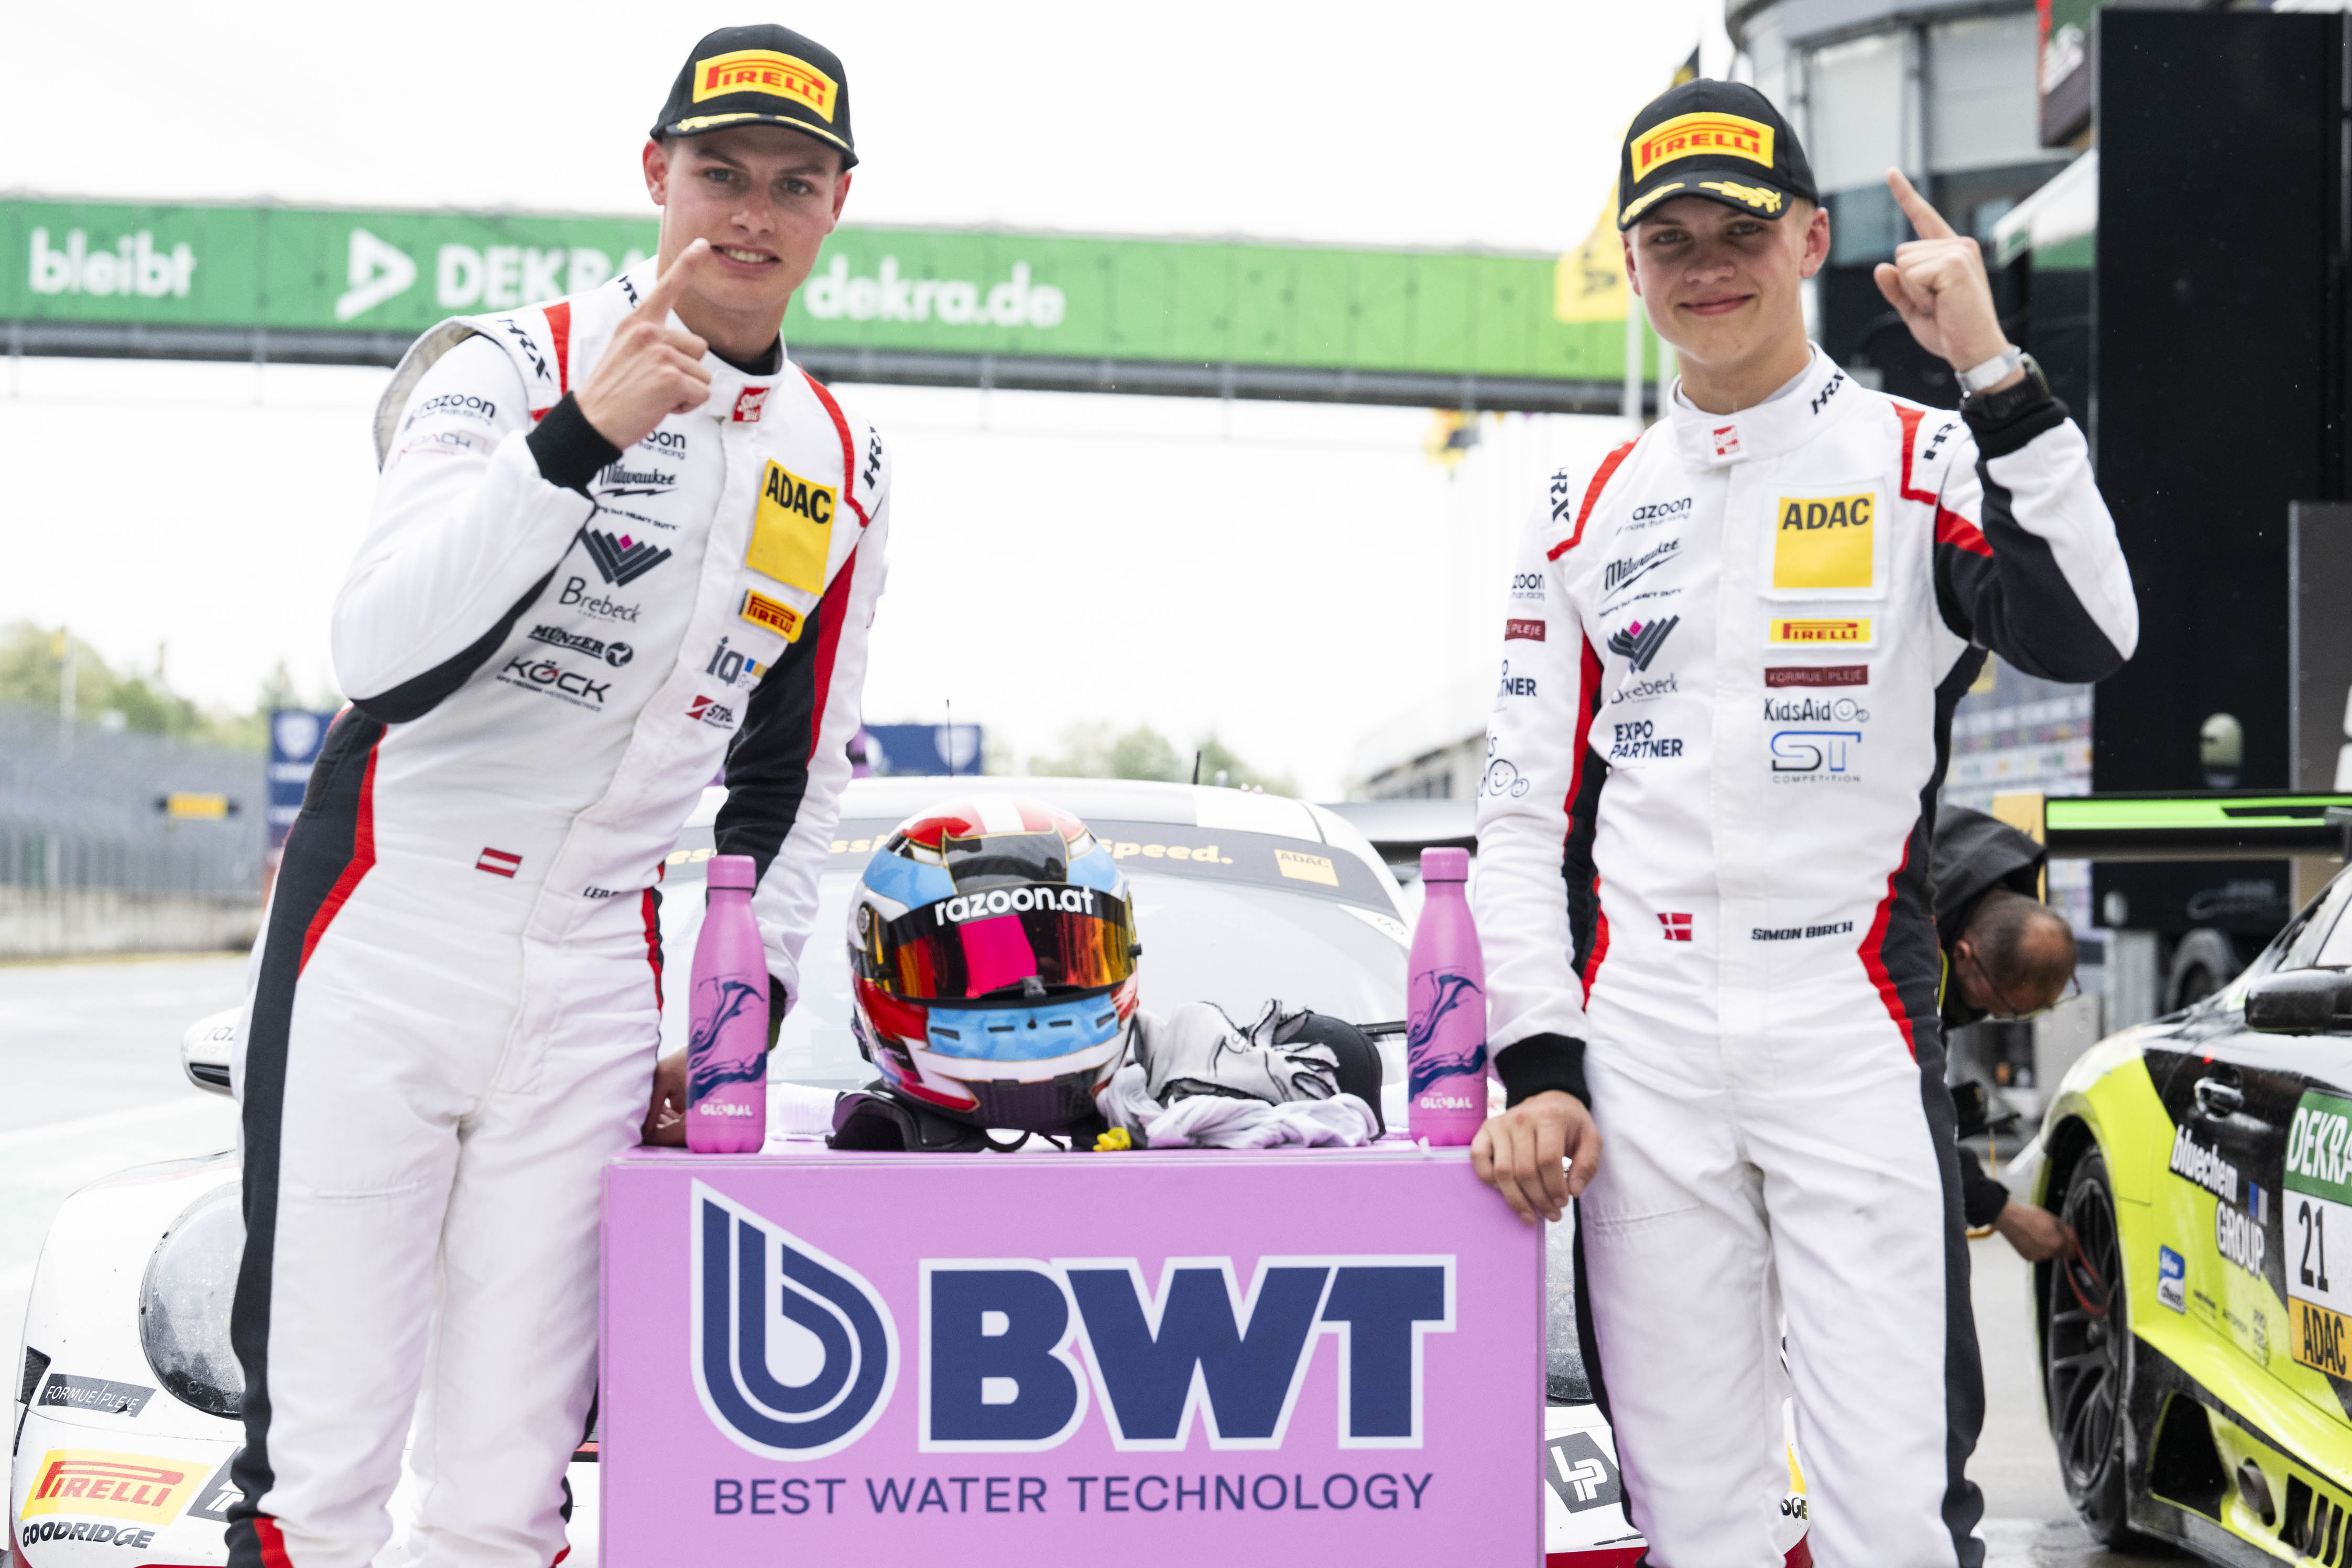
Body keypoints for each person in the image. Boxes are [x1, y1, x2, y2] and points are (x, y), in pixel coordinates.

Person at [228, 25, 889, 1568]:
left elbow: (794, 777)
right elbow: (378, 652)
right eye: (719, 173)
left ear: (836, 207)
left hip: (601, 961)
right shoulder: (507, 362)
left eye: (792, 184)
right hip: (387, 924)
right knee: (317, 1473)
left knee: (508, 1491)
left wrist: (740, 1004)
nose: (751, 214)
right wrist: (581, 438)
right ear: (654, 174)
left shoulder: (843, 456)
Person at [1469, 78, 2138, 1568]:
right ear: (1632, 263)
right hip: (1642, 1037)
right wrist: (1542, 1059)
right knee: (1694, 1514)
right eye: (1671, 238)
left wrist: (1996, 372)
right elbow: (1522, 819)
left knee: (1889, 1517)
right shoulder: (1580, 501)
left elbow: (2094, 631)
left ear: (1812, 240)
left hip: (1849, 1014)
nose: (1708, 265)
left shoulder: (1924, 452)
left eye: (1742, 231)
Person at [1933, 804, 2081, 1261]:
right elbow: (1901, 1113)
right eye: (2008, 1007)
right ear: (1963, 956)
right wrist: (2003, 1213)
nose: (2000, 1017)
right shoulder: (1900, 948)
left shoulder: (1982, 886)